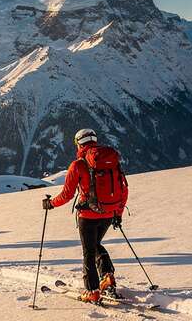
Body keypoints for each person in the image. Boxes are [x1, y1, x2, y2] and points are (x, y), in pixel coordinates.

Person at [42, 128, 128, 303]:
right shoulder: (111, 161)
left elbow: (67, 195)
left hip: (88, 215)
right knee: (95, 245)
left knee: (88, 252)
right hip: (108, 212)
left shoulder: (78, 165)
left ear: (78, 144)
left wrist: (51, 204)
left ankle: (92, 290)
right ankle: (107, 277)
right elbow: (123, 189)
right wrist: (117, 213)